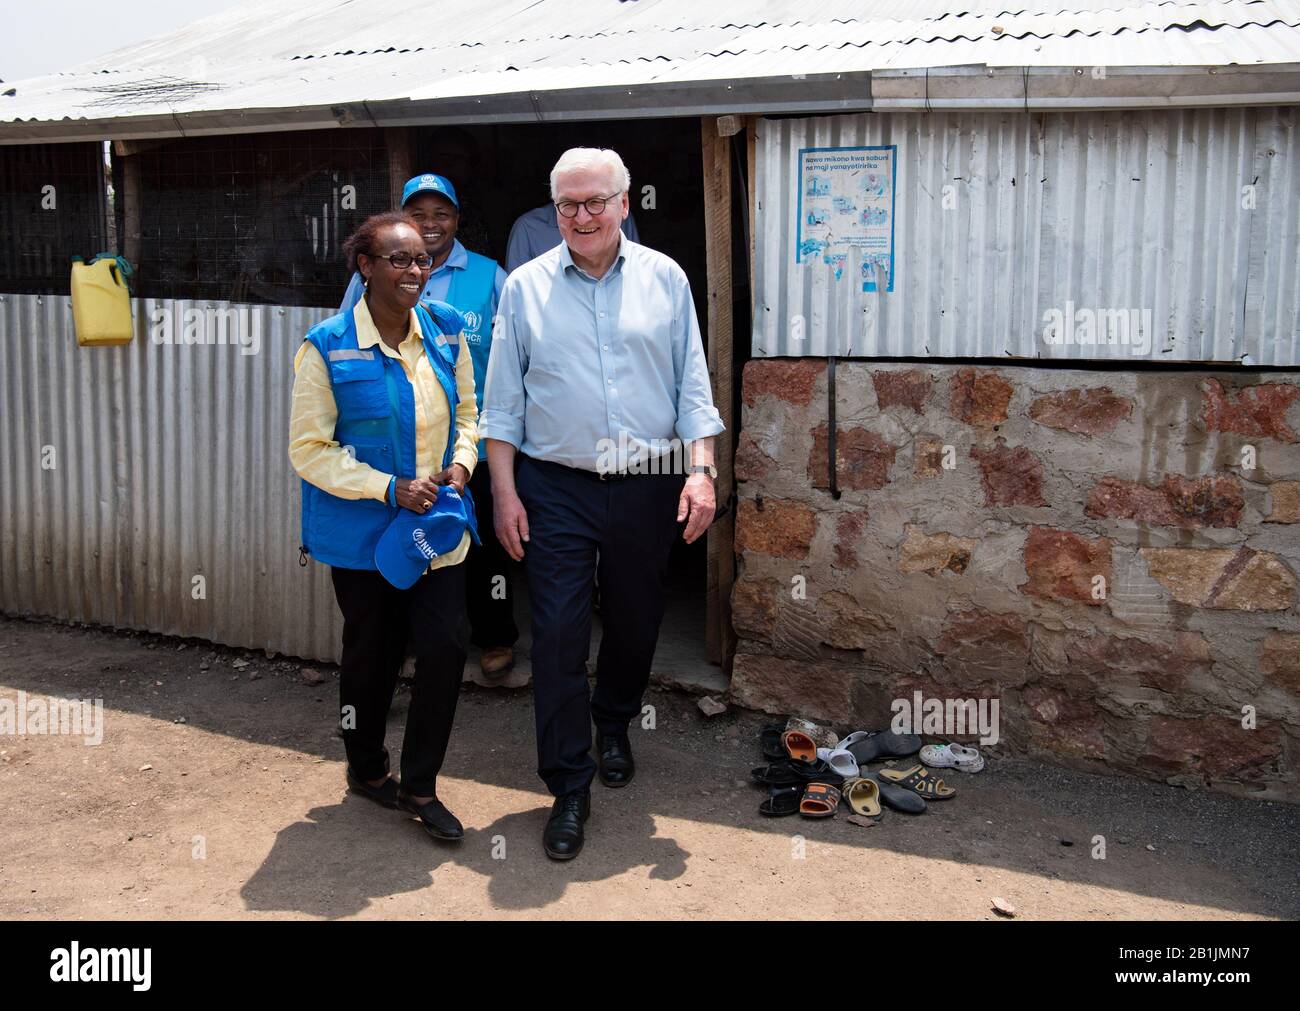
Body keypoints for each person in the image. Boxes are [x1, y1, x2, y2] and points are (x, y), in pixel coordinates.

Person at [481, 148, 724, 861]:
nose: (581, 217)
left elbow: (693, 389)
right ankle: (568, 781)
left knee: (636, 613)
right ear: (552, 211)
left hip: (647, 478)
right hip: (554, 484)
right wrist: (504, 494)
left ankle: (614, 719)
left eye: (595, 202)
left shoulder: (665, 280)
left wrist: (700, 473)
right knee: (555, 631)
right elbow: (501, 404)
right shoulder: (523, 289)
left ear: (624, 204)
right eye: (567, 205)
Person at [290, 210, 479, 842]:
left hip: (436, 530)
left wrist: (458, 466)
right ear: (365, 268)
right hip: (364, 536)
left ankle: (420, 786)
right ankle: (367, 770)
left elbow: (471, 416)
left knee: (447, 646)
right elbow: (309, 450)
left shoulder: (449, 332)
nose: (414, 270)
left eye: (422, 259)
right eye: (397, 259)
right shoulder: (328, 346)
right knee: (372, 652)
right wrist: (388, 487)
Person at [340, 174, 519, 679]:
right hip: (396, 442)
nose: (431, 223)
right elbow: (346, 342)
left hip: (469, 441)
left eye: (441, 213)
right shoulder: (370, 276)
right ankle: (412, 647)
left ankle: (494, 637)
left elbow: (517, 351)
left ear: (458, 220)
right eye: (418, 213)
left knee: (480, 547)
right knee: (406, 540)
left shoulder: (489, 277)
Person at [505, 199, 640, 273]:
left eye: (594, 200)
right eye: (570, 202)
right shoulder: (528, 227)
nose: (582, 218)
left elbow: (635, 273)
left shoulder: (620, 218)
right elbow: (518, 299)